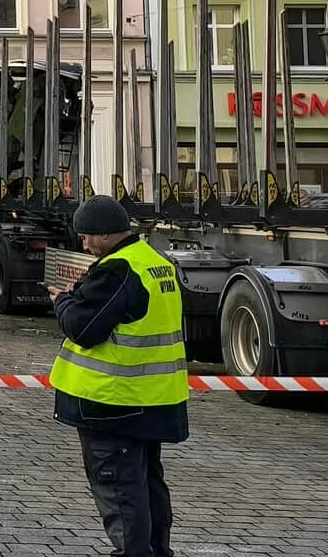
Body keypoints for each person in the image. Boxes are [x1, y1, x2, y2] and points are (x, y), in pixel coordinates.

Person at [51, 195, 188, 557]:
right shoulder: (155, 263)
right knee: (147, 486)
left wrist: (62, 301)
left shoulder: (118, 270)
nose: (84, 244)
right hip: (152, 399)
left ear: (107, 235)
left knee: (120, 491)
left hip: (112, 402)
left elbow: (83, 327)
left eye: (87, 237)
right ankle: (157, 552)